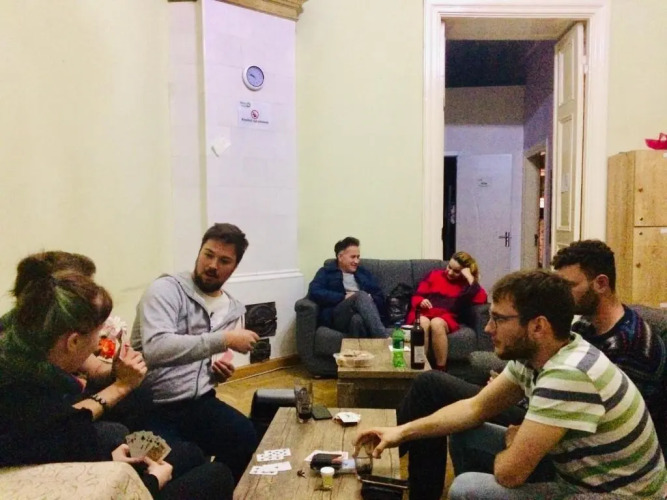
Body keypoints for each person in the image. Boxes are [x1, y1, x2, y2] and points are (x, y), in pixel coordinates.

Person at [356, 270, 666, 499]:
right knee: (466, 434)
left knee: (466, 489)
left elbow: (509, 475)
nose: (488, 328)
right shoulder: (536, 355)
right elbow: (474, 407)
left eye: (499, 319)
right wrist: (400, 432)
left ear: (538, 326)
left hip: (614, 495)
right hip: (578, 474)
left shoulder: (568, 374)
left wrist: (515, 445)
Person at [0, 264, 233, 499]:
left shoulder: (23, 362)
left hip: (67, 463)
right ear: (73, 342)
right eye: (98, 333)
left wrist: (111, 457)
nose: (99, 342)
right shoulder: (39, 405)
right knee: (217, 474)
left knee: (189, 453)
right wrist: (153, 480)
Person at [132, 222, 260, 484]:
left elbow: (202, 354)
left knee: (246, 437)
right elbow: (156, 349)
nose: (212, 265)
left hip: (198, 402)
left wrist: (214, 374)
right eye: (208, 254)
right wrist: (225, 339)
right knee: (180, 462)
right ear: (199, 252)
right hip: (147, 408)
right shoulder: (165, 290)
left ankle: (221, 490)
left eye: (224, 260)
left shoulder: (232, 309)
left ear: (234, 267)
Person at [552, 239, 667, 450]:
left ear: (601, 284)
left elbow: (607, 421)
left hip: (605, 451)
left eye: (569, 286)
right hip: (565, 421)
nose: (560, 296)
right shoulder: (585, 326)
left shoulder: (633, 346)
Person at [405, 251, 487, 370]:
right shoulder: (434, 275)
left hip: (446, 316)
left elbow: (482, 298)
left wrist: (470, 278)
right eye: (449, 267)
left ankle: (440, 369)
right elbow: (417, 296)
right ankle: (420, 366)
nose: (450, 272)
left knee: (437, 323)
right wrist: (421, 301)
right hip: (424, 312)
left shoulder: (466, 285)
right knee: (423, 323)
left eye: (456, 271)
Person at [308, 236, 387, 338]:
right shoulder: (326, 272)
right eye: (353, 257)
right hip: (338, 314)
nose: (356, 261)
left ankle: (358, 348)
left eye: (358, 257)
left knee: (357, 320)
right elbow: (314, 292)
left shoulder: (363, 273)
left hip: (362, 314)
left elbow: (379, 295)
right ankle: (383, 337)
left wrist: (370, 298)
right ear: (340, 257)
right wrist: (343, 297)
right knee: (360, 295)